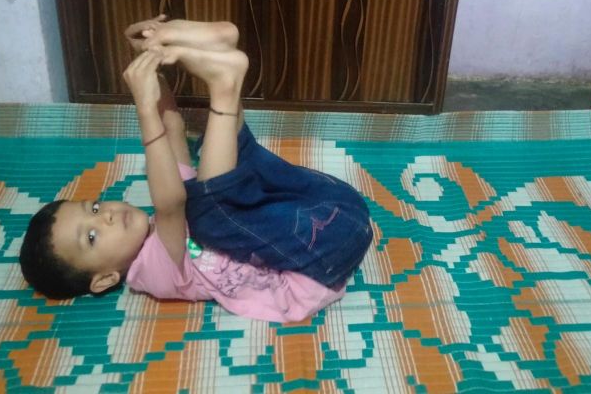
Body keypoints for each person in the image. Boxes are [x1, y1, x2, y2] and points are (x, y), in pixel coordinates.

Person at [19, 17, 372, 322]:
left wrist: (149, 58)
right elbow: (169, 202)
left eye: (94, 208)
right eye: (92, 237)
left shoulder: (165, 228)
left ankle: (219, 49)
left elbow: (172, 127)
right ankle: (224, 86)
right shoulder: (151, 275)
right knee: (210, 214)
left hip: (326, 208)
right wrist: (144, 110)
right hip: (319, 262)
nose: (106, 216)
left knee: (214, 165)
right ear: (104, 279)